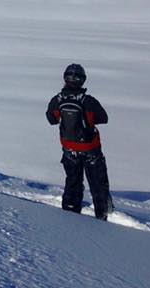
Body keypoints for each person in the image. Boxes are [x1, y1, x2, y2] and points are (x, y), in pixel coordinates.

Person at [46, 63, 114, 220]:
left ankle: (70, 214)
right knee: (98, 183)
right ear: (82, 80)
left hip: (69, 148)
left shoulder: (57, 100)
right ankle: (102, 215)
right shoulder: (88, 101)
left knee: (73, 181)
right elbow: (103, 118)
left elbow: (51, 119)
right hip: (91, 148)